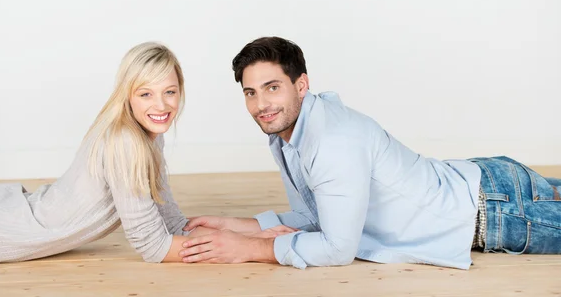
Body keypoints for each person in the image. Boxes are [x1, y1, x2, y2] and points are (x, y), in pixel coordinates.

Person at [179, 36, 561, 269]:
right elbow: (316, 214)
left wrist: (248, 248)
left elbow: (337, 248)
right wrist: (237, 225)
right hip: (482, 182)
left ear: (301, 85)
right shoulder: (290, 133)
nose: (262, 104)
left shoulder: (331, 142)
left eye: (272, 87)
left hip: (495, 210)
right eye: (251, 92)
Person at [0, 42, 219, 265]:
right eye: (146, 94)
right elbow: (152, 245)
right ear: (127, 95)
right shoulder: (125, 143)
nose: (161, 105)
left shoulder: (148, 134)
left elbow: (170, 220)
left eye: (169, 92)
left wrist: (248, 240)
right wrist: (231, 250)